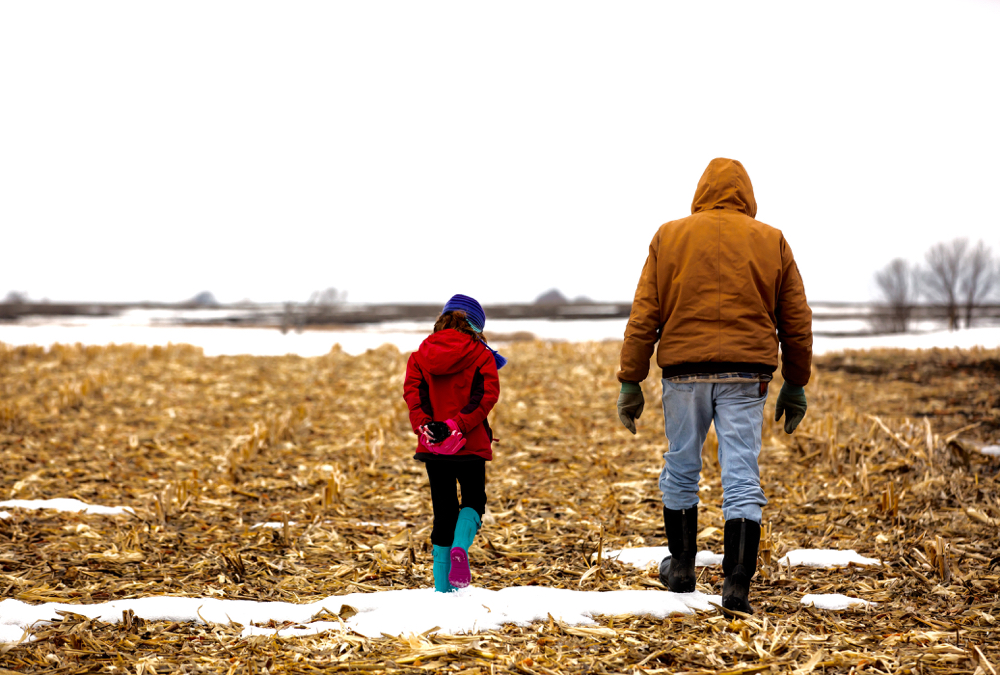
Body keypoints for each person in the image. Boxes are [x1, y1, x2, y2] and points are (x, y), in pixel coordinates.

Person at [616, 158, 812, 614]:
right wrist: (795, 383)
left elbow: (644, 314)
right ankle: (736, 583)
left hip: (683, 373)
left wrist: (631, 379)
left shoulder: (669, 236)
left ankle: (681, 566)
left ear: (700, 191)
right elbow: (796, 321)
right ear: (747, 193)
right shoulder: (772, 240)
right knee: (742, 474)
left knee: (681, 465)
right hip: (747, 374)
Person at [403, 294, 507, 592]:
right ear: (475, 325)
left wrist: (427, 427)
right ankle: (462, 547)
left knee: (443, 511)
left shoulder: (419, 356)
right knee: (473, 501)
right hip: (469, 443)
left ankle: (442, 588)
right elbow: (485, 397)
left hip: (432, 447)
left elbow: (414, 396)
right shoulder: (481, 355)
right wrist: (456, 426)